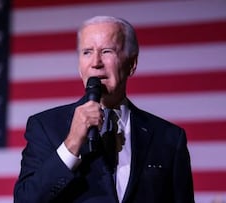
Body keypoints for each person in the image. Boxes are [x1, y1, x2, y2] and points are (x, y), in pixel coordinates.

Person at [13, 16, 194, 203]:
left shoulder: (169, 137)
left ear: (131, 64)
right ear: (79, 67)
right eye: (87, 52)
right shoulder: (45, 127)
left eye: (107, 51)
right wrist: (72, 143)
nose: (96, 62)